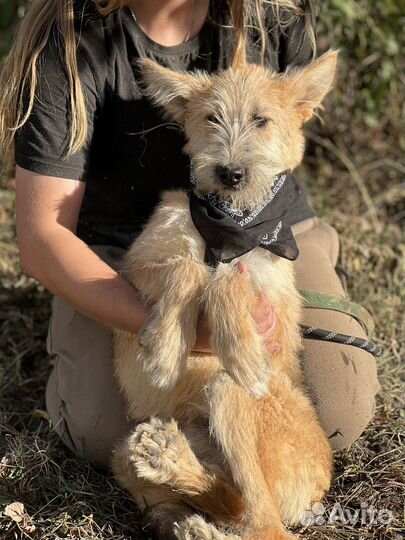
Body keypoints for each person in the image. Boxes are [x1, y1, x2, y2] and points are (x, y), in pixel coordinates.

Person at [0, 0, 380, 469]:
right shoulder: (66, 38)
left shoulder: (271, 12)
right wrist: (180, 325)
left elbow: (292, 121)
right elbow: (43, 239)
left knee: (338, 409)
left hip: (272, 229)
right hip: (118, 245)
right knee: (104, 435)